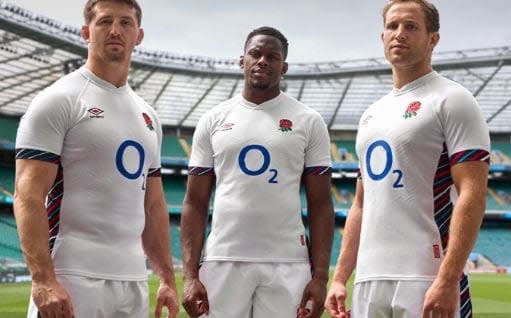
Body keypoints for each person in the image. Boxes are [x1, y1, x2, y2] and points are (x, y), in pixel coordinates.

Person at [325, 1, 490, 318]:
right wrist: (341, 277)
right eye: (393, 26)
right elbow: (361, 204)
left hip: (425, 276)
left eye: (411, 26)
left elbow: (474, 192)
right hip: (370, 278)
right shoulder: (371, 114)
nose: (399, 34)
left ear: (433, 39)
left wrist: (447, 278)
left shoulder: (452, 99)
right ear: (382, 35)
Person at [14, 1, 179, 317]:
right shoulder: (59, 100)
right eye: (105, 22)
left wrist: (168, 278)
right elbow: (28, 195)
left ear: (139, 35)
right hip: (72, 276)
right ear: (87, 32)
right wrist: (44, 280)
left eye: (125, 23)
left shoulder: (149, 117)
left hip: (132, 281)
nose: (116, 30)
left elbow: (154, 205)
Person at [180, 26, 335, 318]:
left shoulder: (308, 121)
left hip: (288, 263)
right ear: (242, 61)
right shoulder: (213, 120)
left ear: (284, 66)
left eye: (272, 56)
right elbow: (194, 202)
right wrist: (189, 275)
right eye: (255, 54)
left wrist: (320, 277)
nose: (263, 61)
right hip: (223, 259)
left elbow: (321, 204)